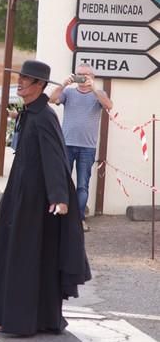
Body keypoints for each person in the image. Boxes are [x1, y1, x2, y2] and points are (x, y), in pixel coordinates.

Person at [0, 60, 91, 336]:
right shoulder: (30, 111)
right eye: (20, 78)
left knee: (26, 256)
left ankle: (21, 320)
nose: (20, 83)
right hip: (20, 193)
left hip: (37, 201)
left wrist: (59, 197)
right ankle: (19, 315)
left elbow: (56, 159)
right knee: (16, 254)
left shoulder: (44, 116)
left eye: (26, 80)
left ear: (40, 85)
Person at [49, 63, 113, 232]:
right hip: (67, 144)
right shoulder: (69, 92)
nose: (83, 78)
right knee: (63, 182)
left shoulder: (98, 94)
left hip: (87, 147)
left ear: (92, 77)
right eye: (79, 74)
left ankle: (79, 219)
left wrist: (94, 89)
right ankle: (61, 217)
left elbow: (109, 105)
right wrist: (63, 84)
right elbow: (52, 99)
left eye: (86, 75)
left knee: (83, 185)